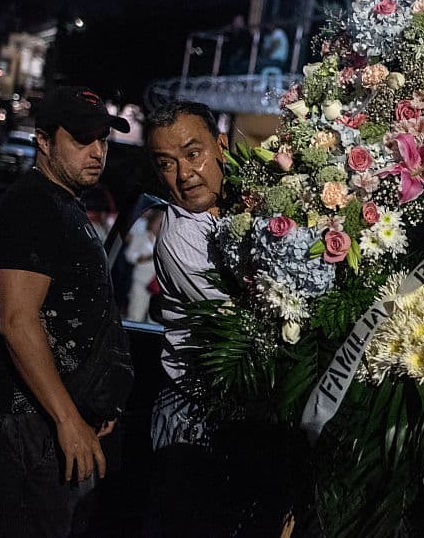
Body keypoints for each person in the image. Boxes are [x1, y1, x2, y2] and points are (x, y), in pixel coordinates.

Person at [0, 85, 130, 536]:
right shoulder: (31, 207)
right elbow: (17, 322)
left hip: (51, 419)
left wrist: (95, 398)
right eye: (82, 139)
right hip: (27, 423)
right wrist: (67, 419)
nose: (97, 151)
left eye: (103, 139)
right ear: (43, 140)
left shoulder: (62, 203)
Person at [147, 100, 293, 535]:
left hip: (247, 417)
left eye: (193, 154)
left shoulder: (248, 200)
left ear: (222, 147)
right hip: (195, 423)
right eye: (166, 164)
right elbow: (255, 321)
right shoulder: (181, 240)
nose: (185, 174)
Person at [123, 208, 161, 323]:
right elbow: (129, 255)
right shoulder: (141, 236)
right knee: (135, 315)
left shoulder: (165, 240)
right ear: (152, 222)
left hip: (158, 286)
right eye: (157, 223)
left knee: (154, 319)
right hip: (141, 282)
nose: (159, 226)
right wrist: (144, 257)